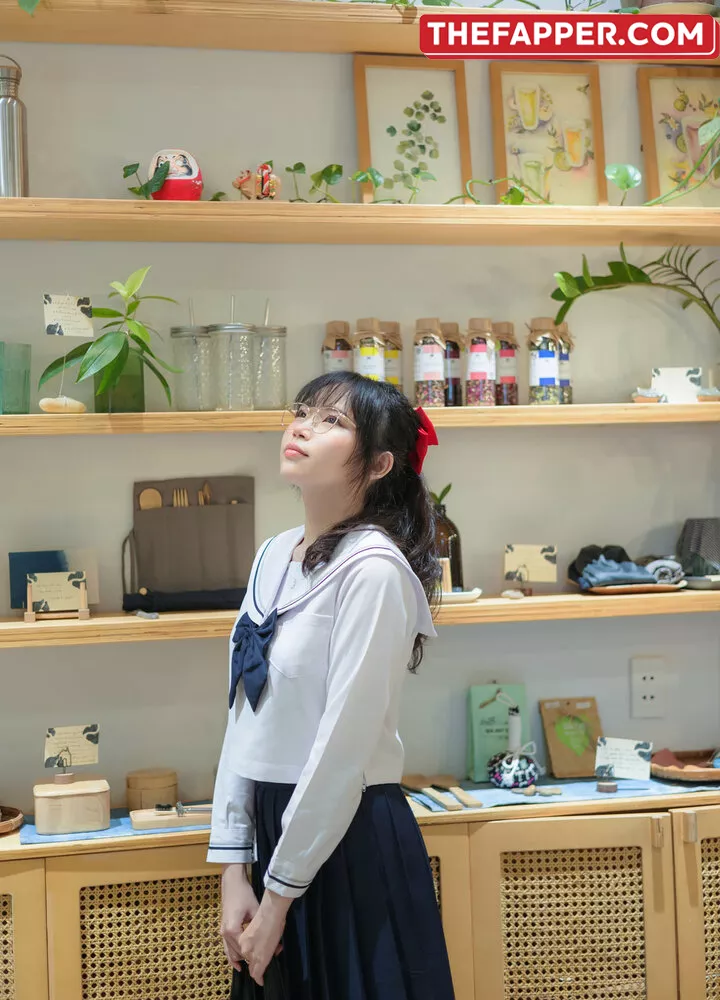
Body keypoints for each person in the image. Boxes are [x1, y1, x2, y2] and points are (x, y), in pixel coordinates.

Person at [208, 371, 455, 999]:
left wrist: (278, 897)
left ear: (378, 465)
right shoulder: (272, 555)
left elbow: (343, 749)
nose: (302, 427)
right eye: (302, 412)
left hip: (348, 838)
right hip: (273, 839)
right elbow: (243, 717)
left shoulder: (373, 570)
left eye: (332, 421)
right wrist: (233, 869)